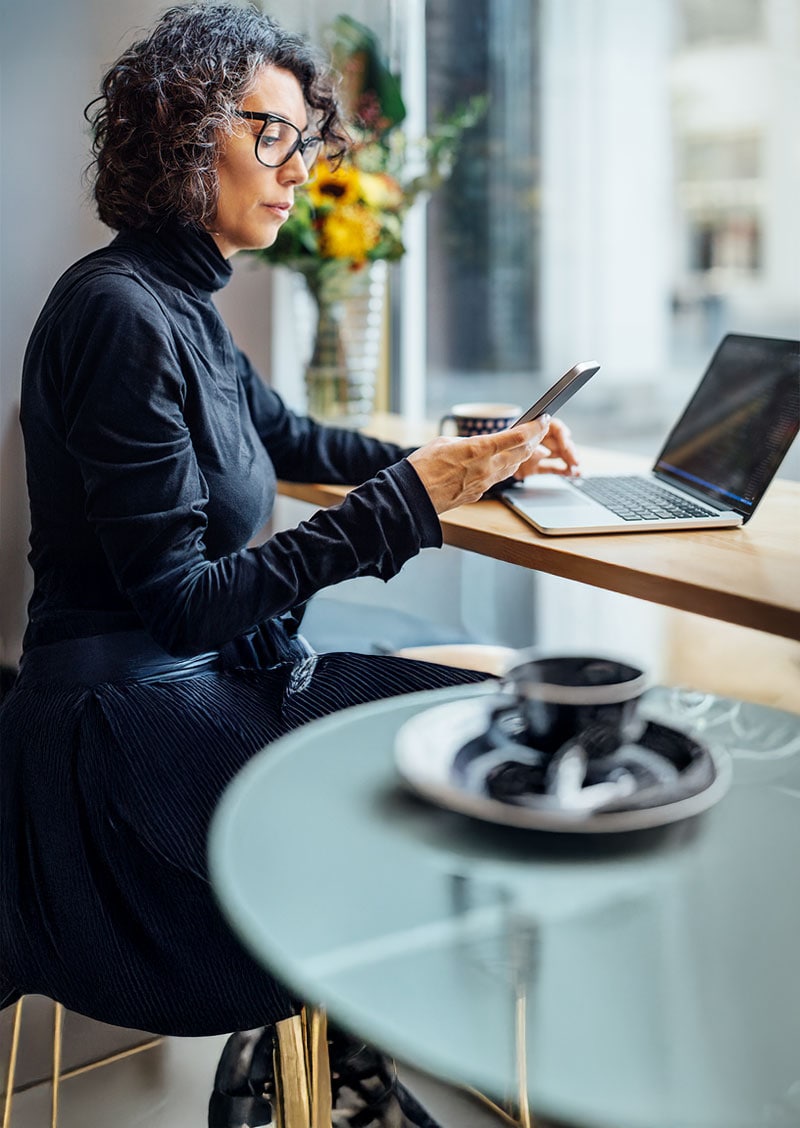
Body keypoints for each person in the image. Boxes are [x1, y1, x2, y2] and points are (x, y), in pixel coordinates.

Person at [0, 4, 579, 1125]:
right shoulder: (120, 314)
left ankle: (325, 1060)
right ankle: (335, 1061)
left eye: (303, 139)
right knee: (480, 733)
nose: (297, 166)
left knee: (481, 698)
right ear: (183, 132)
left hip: (178, 693)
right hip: (116, 738)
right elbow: (181, 608)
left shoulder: (185, 309)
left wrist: (476, 458)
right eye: (271, 134)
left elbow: (298, 442)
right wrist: (409, 500)